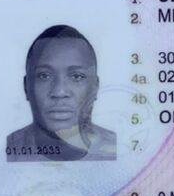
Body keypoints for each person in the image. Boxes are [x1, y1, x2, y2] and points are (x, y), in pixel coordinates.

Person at [6, 25, 117, 161]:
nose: (59, 92)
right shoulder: (3, 152)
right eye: (44, 76)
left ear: (95, 87)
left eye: (77, 76)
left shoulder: (120, 150)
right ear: (26, 87)